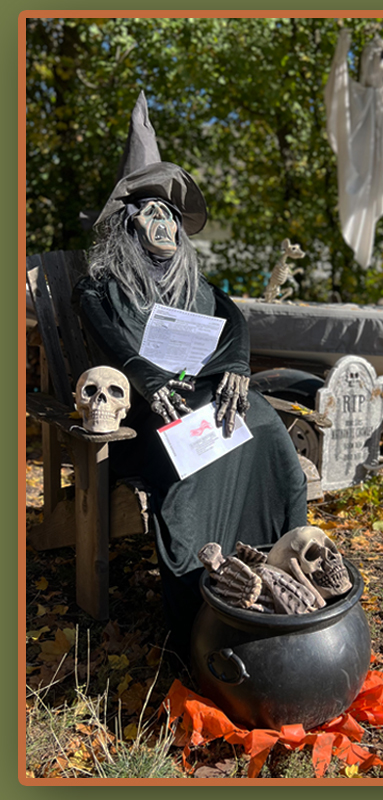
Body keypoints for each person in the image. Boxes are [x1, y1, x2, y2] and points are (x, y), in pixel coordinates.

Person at [74, 92, 308, 658]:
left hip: (204, 401)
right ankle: (204, 598)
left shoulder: (197, 290)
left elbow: (233, 321)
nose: (163, 222)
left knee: (263, 423)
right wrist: (146, 379)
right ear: (128, 225)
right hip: (144, 422)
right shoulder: (101, 287)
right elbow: (112, 346)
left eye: (171, 215)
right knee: (202, 442)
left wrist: (235, 367)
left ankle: (285, 570)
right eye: (150, 211)